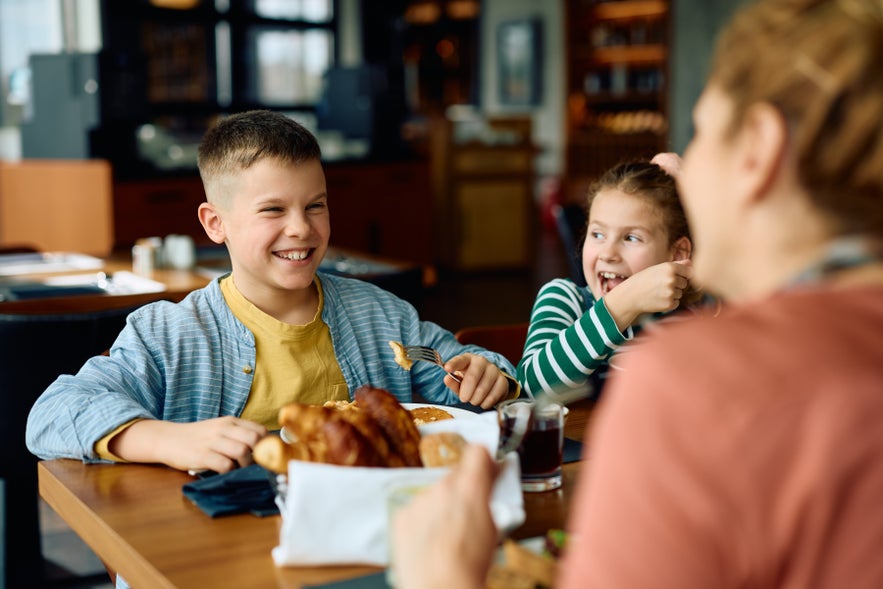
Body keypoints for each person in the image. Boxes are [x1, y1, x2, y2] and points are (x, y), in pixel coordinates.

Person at [392, 0, 883, 587]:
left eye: (700, 136)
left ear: (758, 147)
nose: (679, 167)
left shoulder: (698, 375)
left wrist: (440, 577)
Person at [26, 110, 517, 475]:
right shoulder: (167, 334)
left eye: (316, 205)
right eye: (273, 210)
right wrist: (167, 440)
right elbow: (50, 414)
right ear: (215, 223)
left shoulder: (383, 315)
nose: (301, 228)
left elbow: (460, 374)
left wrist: (485, 372)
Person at [518, 158, 702, 400]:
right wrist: (624, 303)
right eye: (597, 234)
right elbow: (530, 387)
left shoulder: (686, 319)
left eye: (631, 238)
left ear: (677, 254)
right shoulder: (565, 299)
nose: (608, 253)